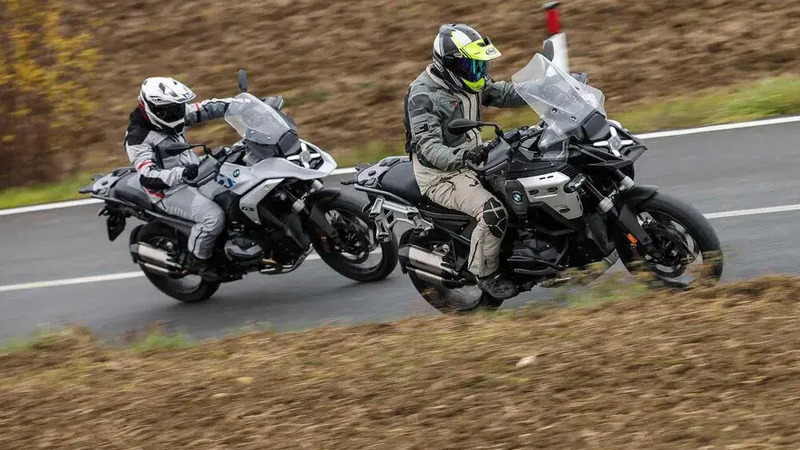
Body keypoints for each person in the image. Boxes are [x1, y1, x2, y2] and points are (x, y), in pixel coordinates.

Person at [403, 24, 528, 300]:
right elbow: (427, 147)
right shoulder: (423, 96)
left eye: (480, 65)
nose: (479, 72)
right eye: (472, 65)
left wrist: (545, 90)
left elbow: (503, 93)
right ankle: (486, 274)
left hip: (475, 157)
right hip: (442, 175)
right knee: (494, 212)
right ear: (449, 64)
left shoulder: (468, 80)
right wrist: (464, 156)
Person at [124, 77, 233, 282]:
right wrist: (180, 174)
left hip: (194, 172)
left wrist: (244, 104)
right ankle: (197, 259)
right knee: (213, 217)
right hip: (169, 191)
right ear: (153, 109)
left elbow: (207, 108)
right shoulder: (137, 138)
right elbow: (147, 175)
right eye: (171, 110)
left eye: (178, 108)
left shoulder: (173, 113)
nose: (178, 114)